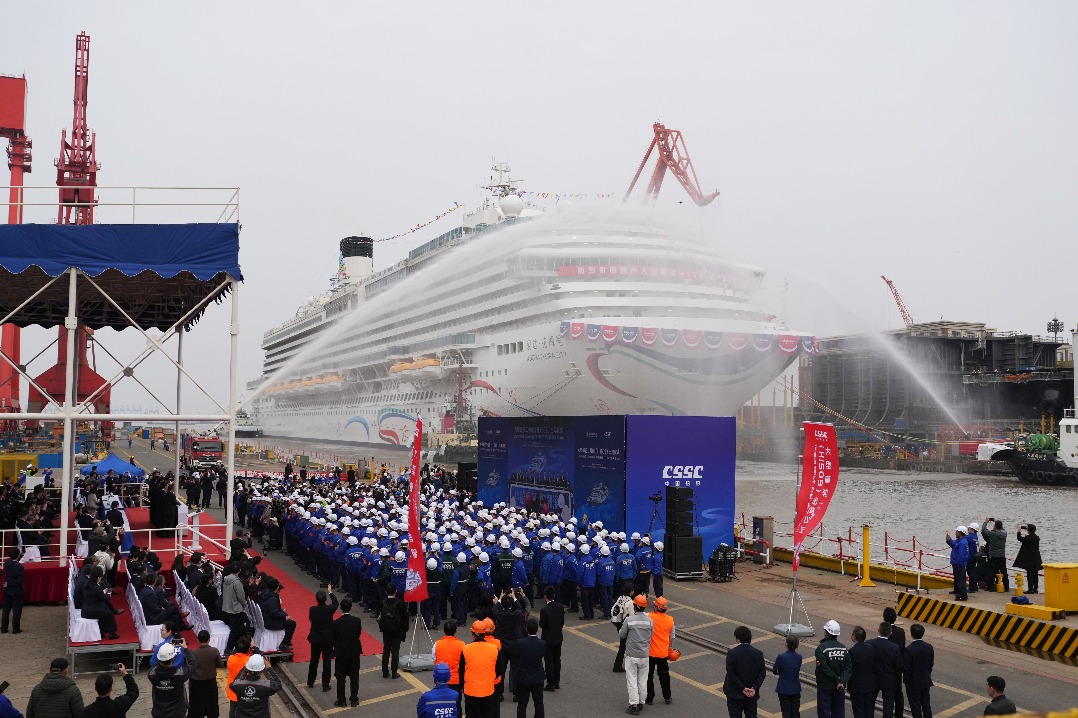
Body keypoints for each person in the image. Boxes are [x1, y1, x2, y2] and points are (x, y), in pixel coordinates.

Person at [459, 620, 502, 718]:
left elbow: (461, 670)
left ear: (473, 634)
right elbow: (500, 668)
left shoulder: (466, 649)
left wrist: (462, 686)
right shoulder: (494, 648)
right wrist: (490, 679)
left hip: (471, 691)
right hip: (488, 690)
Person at [619, 594, 653, 715]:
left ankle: (634, 705)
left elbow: (622, 635)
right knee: (643, 680)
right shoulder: (650, 621)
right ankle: (641, 703)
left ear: (635, 606)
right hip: (644, 655)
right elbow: (651, 636)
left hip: (632, 655)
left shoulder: (629, 620)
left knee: (632, 680)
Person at [724, 626, 766, 718]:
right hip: (752, 694)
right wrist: (754, 688)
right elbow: (762, 673)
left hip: (735, 693)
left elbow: (731, 674)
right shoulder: (758, 654)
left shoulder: (732, 653)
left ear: (738, 639)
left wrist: (742, 688)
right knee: (751, 715)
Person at [148, 641, 196, 718]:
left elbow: (156, 665)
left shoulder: (152, 674)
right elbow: (193, 663)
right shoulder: (180, 674)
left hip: (159, 712)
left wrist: (164, 653)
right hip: (177, 713)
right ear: (173, 658)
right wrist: (185, 649)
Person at [815, 620, 851, 718]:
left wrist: (837, 679)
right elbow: (848, 668)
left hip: (825, 686)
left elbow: (823, 668)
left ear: (826, 632)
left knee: (824, 712)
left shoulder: (821, 648)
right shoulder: (843, 648)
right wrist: (841, 681)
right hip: (839, 687)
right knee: (839, 712)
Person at [331, 598, 363, 708]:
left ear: (341, 608)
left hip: (341, 653)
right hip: (354, 651)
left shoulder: (336, 623)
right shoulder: (356, 621)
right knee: (354, 676)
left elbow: (334, 637)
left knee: (340, 677)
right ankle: (354, 699)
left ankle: (341, 700)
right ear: (351, 608)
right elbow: (358, 633)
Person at [867, 622, 903, 718]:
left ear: (878, 630)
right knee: (888, 705)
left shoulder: (869, 644)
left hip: (872, 679)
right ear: (890, 633)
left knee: (870, 703)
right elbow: (899, 666)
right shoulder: (895, 648)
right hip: (889, 680)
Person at [513, 617, 546, 718]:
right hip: (537, 677)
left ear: (526, 629)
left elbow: (516, 656)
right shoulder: (542, 643)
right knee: (539, 703)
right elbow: (543, 655)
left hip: (523, 676)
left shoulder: (520, 642)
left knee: (522, 703)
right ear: (537, 629)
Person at [229, 654, 281, 718]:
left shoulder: (238, 685)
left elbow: (234, 682)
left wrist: (245, 668)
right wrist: (269, 668)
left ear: (247, 669)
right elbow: (277, 683)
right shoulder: (266, 686)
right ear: (261, 671)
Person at [307, 586, 339, 691]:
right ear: (325, 599)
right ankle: (325, 684)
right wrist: (330, 592)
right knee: (327, 662)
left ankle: (310, 681)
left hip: (316, 638)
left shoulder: (313, 610)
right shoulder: (329, 609)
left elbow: (310, 619)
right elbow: (336, 603)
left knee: (314, 660)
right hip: (327, 639)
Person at [189, 630, 225, 718]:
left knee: (196, 704)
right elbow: (221, 664)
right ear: (209, 639)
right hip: (210, 682)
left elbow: (189, 666)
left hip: (196, 682)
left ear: (198, 640)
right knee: (211, 704)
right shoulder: (214, 651)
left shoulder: (193, 652)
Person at [645, 596, 674, 706]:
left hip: (650, 653)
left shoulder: (649, 617)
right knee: (664, 675)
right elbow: (672, 637)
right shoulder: (670, 620)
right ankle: (667, 696)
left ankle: (649, 698)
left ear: (656, 608)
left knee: (648, 676)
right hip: (663, 654)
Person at [903, 624, 934, 718]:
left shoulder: (909, 650)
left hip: (914, 683)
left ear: (911, 634)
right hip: (925, 681)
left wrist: (906, 682)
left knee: (915, 706)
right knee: (926, 705)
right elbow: (930, 665)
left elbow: (907, 669)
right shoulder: (929, 647)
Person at [380, 584, 409, 679]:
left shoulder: (383, 602)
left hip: (386, 629)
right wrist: (405, 629)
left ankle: (385, 671)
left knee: (386, 650)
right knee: (395, 651)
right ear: (395, 592)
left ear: (386, 592)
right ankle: (394, 672)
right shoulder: (400, 603)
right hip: (397, 629)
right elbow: (405, 616)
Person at [537, 586, 564, 692]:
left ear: (545, 597)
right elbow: (562, 622)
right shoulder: (560, 607)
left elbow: (542, 624)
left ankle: (550, 683)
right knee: (557, 659)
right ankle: (557, 681)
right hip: (558, 637)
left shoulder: (544, 610)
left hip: (548, 638)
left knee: (549, 661)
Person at [848, 627, 877, 718]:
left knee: (858, 711)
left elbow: (850, 668)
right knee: (869, 709)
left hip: (857, 687)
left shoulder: (852, 651)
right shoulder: (870, 648)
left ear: (854, 636)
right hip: (870, 685)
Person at [882, 608, 906, 718]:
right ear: (895, 618)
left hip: (884, 669)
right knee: (898, 695)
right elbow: (902, 649)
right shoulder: (901, 632)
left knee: (887, 696)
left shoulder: (883, 631)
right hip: (896, 669)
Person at [433, 620, 467, 695]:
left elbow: (434, 659)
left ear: (444, 631)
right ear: (455, 631)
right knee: (456, 703)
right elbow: (465, 663)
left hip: (441, 679)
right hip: (456, 680)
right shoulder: (462, 645)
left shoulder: (437, 644)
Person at [773, 635, 803, 718]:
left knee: (786, 712)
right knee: (795, 712)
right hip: (795, 688)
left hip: (784, 688)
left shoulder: (781, 657)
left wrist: (781, 672)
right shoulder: (799, 657)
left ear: (786, 644)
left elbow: (775, 671)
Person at [225, 636, 253, 718]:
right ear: (248, 649)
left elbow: (234, 653)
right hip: (246, 692)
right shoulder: (250, 660)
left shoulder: (230, 659)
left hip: (233, 691)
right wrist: (252, 647)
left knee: (233, 710)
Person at [2, 546, 25, 634]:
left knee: (6, 610)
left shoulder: (7, 564)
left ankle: (4, 628)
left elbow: (14, 562)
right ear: (18, 556)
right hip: (16, 591)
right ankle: (15, 629)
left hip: (7, 590)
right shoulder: (20, 567)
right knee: (16, 610)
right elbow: (19, 581)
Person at [1014, 524, 1042, 594]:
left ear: (1029, 530)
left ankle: (1030, 589)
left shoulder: (1027, 538)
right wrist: (1028, 529)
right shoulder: (1037, 538)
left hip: (1029, 559)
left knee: (1029, 574)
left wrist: (1019, 531)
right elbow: (1031, 533)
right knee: (1035, 573)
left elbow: (1019, 538)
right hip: (1036, 558)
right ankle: (1035, 589)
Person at [981, 519, 1008, 591]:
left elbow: (984, 530)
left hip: (993, 555)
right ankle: (1006, 587)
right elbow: (1002, 529)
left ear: (995, 526)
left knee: (991, 572)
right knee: (1004, 572)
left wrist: (986, 522)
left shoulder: (993, 534)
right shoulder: (1005, 533)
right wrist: (996, 522)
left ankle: (989, 587)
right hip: (1002, 555)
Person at [610, 587, 633, 673]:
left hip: (616, 620)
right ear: (630, 592)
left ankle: (619, 664)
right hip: (622, 622)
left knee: (623, 643)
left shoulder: (621, 597)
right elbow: (631, 616)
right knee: (623, 645)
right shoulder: (630, 602)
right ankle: (617, 665)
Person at [945, 527, 969, 601]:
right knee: (957, 578)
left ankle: (963, 595)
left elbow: (961, 555)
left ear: (960, 533)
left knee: (961, 579)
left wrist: (959, 564)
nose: (955, 533)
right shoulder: (960, 541)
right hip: (957, 563)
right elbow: (954, 545)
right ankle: (957, 591)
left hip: (959, 564)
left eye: (957, 532)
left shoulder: (962, 543)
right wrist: (949, 539)